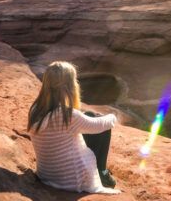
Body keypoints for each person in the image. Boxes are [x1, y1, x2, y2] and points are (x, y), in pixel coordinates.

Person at [27, 61, 120, 195]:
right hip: (72, 179)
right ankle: (102, 173)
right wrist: (113, 116)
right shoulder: (67, 115)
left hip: (48, 175)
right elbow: (101, 125)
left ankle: (102, 172)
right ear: (70, 86)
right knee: (101, 126)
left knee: (89, 115)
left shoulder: (35, 109)